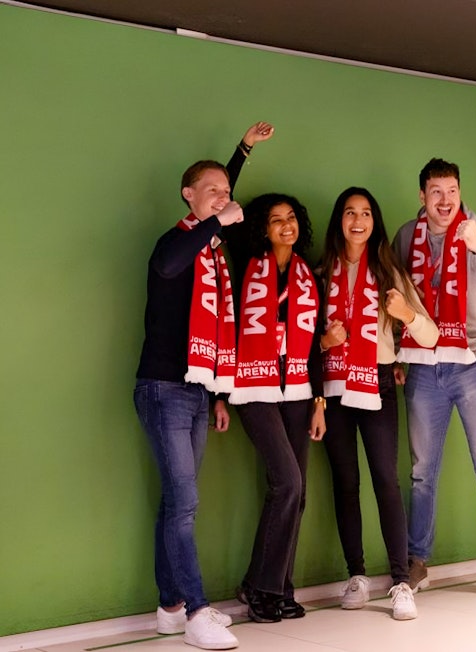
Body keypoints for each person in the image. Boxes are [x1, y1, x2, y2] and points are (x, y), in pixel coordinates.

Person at [133, 121, 273, 650]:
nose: (222, 197)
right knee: (184, 502)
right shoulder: (179, 242)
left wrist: (243, 152)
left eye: (227, 192)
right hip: (162, 388)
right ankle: (196, 611)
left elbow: (209, 329)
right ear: (188, 196)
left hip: (196, 389)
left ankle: (169, 608)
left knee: (177, 503)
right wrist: (214, 221)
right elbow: (171, 265)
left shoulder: (211, 250)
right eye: (210, 191)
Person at [392, 158, 476, 603]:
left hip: (474, 363)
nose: (445, 200)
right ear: (422, 197)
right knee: (421, 474)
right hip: (423, 366)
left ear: (459, 193)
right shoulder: (404, 238)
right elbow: (393, 298)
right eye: (436, 191)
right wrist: (398, 351)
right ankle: (417, 562)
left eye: (451, 190)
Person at [315, 187, 437, 621]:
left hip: (379, 383)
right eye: (349, 212)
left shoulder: (390, 270)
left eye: (366, 212)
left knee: (386, 480)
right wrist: (323, 340)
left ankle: (400, 581)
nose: (358, 220)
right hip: (332, 387)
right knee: (345, 483)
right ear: (339, 220)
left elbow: (431, 336)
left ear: (375, 221)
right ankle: (357, 575)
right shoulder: (320, 272)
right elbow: (304, 336)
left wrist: (405, 313)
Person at [228, 192, 326, 624]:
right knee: (287, 482)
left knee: (297, 492)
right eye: (275, 220)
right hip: (252, 386)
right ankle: (260, 587)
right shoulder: (244, 264)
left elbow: (317, 346)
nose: (286, 225)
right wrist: (244, 148)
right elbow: (226, 327)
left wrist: (320, 401)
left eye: (291, 218)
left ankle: (278, 587)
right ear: (261, 228)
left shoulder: (310, 275)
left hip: (299, 390)